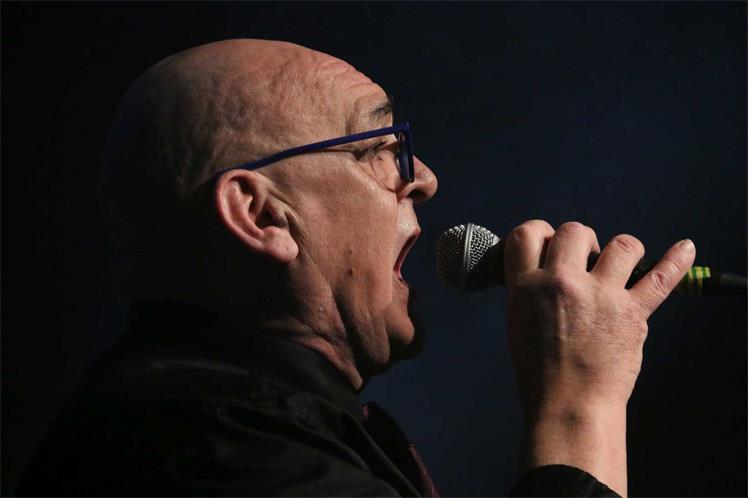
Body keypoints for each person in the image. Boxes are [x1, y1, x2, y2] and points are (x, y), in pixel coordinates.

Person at [18, 39, 695, 497]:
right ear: (261, 215)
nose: (423, 178)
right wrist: (579, 405)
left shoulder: (225, 423)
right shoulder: (214, 449)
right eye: (381, 148)